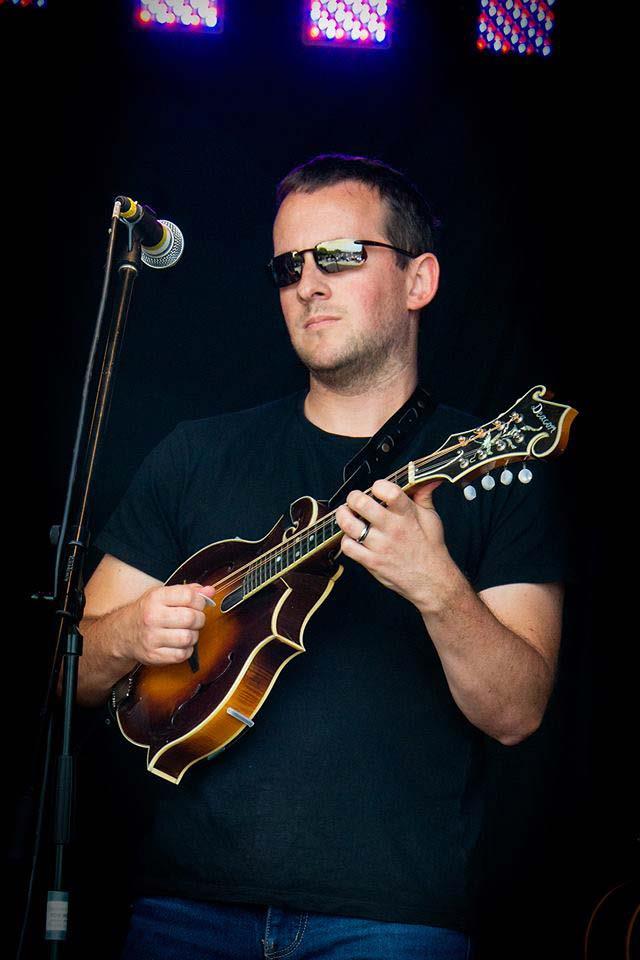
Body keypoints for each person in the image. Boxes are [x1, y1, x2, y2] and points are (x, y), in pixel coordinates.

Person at [75, 154, 566, 959]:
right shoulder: (196, 455)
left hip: (392, 921)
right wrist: (131, 631)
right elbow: (68, 670)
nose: (308, 283)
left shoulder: (490, 464)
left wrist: (437, 586)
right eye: (288, 266)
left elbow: (517, 714)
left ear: (419, 280)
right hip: (183, 910)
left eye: (339, 256)